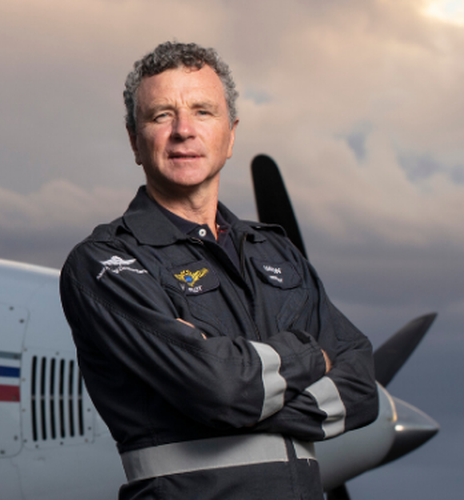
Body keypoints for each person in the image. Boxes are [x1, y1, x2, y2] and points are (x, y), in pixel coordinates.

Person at [59, 42, 379, 499]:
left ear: (231, 135)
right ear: (134, 141)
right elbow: (221, 389)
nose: (183, 131)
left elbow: (363, 387)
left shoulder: (277, 252)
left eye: (202, 112)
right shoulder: (105, 264)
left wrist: (244, 392)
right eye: (161, 116)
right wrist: (313, 354)